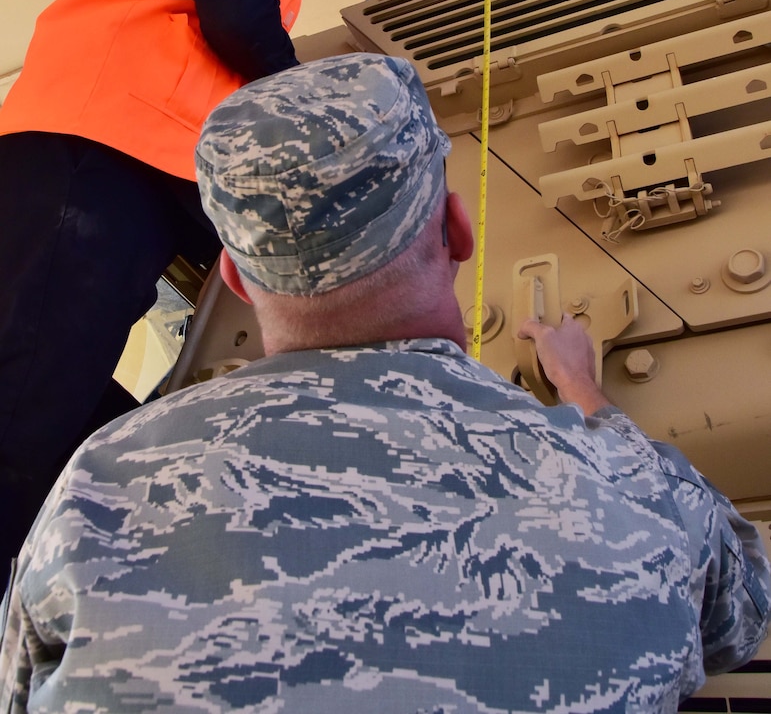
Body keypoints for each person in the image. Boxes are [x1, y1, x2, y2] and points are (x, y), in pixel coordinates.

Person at [1, 52, 768, 713]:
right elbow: (740, 612)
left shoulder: (97, 489)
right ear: (458, 229)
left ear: (233, 275)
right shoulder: (625, 488)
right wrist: (585, 396)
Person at [0, 0, 314, 581]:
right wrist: (313, 119)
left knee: (58, 387)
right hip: (98, 148)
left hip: (102, 153)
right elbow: (241, 21)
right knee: (34, 382)